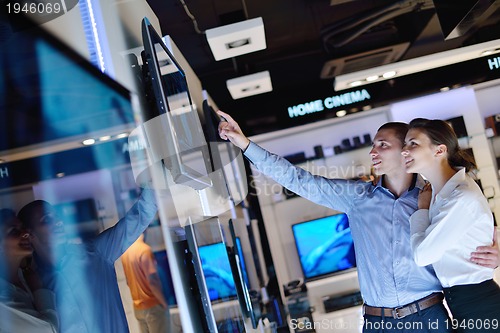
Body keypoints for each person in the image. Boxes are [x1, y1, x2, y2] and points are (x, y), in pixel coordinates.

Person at [217, 110, 500, 332]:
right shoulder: (357, 197)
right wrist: (244, 144)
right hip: (377, 321)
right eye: (373, 145)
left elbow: (474, 221)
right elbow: (298, 180)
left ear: (405, 151)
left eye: (382, 145)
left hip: (429, 318)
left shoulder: (434, 198)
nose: (372, 152)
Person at [402, 118, 500, 332]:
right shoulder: (441, 191)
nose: (404, 151)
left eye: (413, 144)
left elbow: (423, 255)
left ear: (439, 150)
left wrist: (422, 211)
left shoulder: (460, 197)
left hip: (480, 305)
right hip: (465, 303)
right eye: (404, 144)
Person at [16, 188, 158, 333]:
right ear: (29, 234)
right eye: (47, 219)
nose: (58, 222)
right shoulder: (32, 285)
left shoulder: (97, 252)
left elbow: (140, 216)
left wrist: (151, 179)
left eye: (57, 216)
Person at [0, 208, 58, 333]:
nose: (26, 233)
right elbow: (48, 329)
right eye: (14, 231)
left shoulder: (25, 274)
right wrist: (39, 290)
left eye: (23, 228)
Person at [121, 233, 170, 333]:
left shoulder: (125, 252)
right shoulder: (144, 250)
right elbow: (152, 281)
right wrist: (164, 304)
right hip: (153, 307)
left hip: (138, 309)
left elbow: (127, 282)